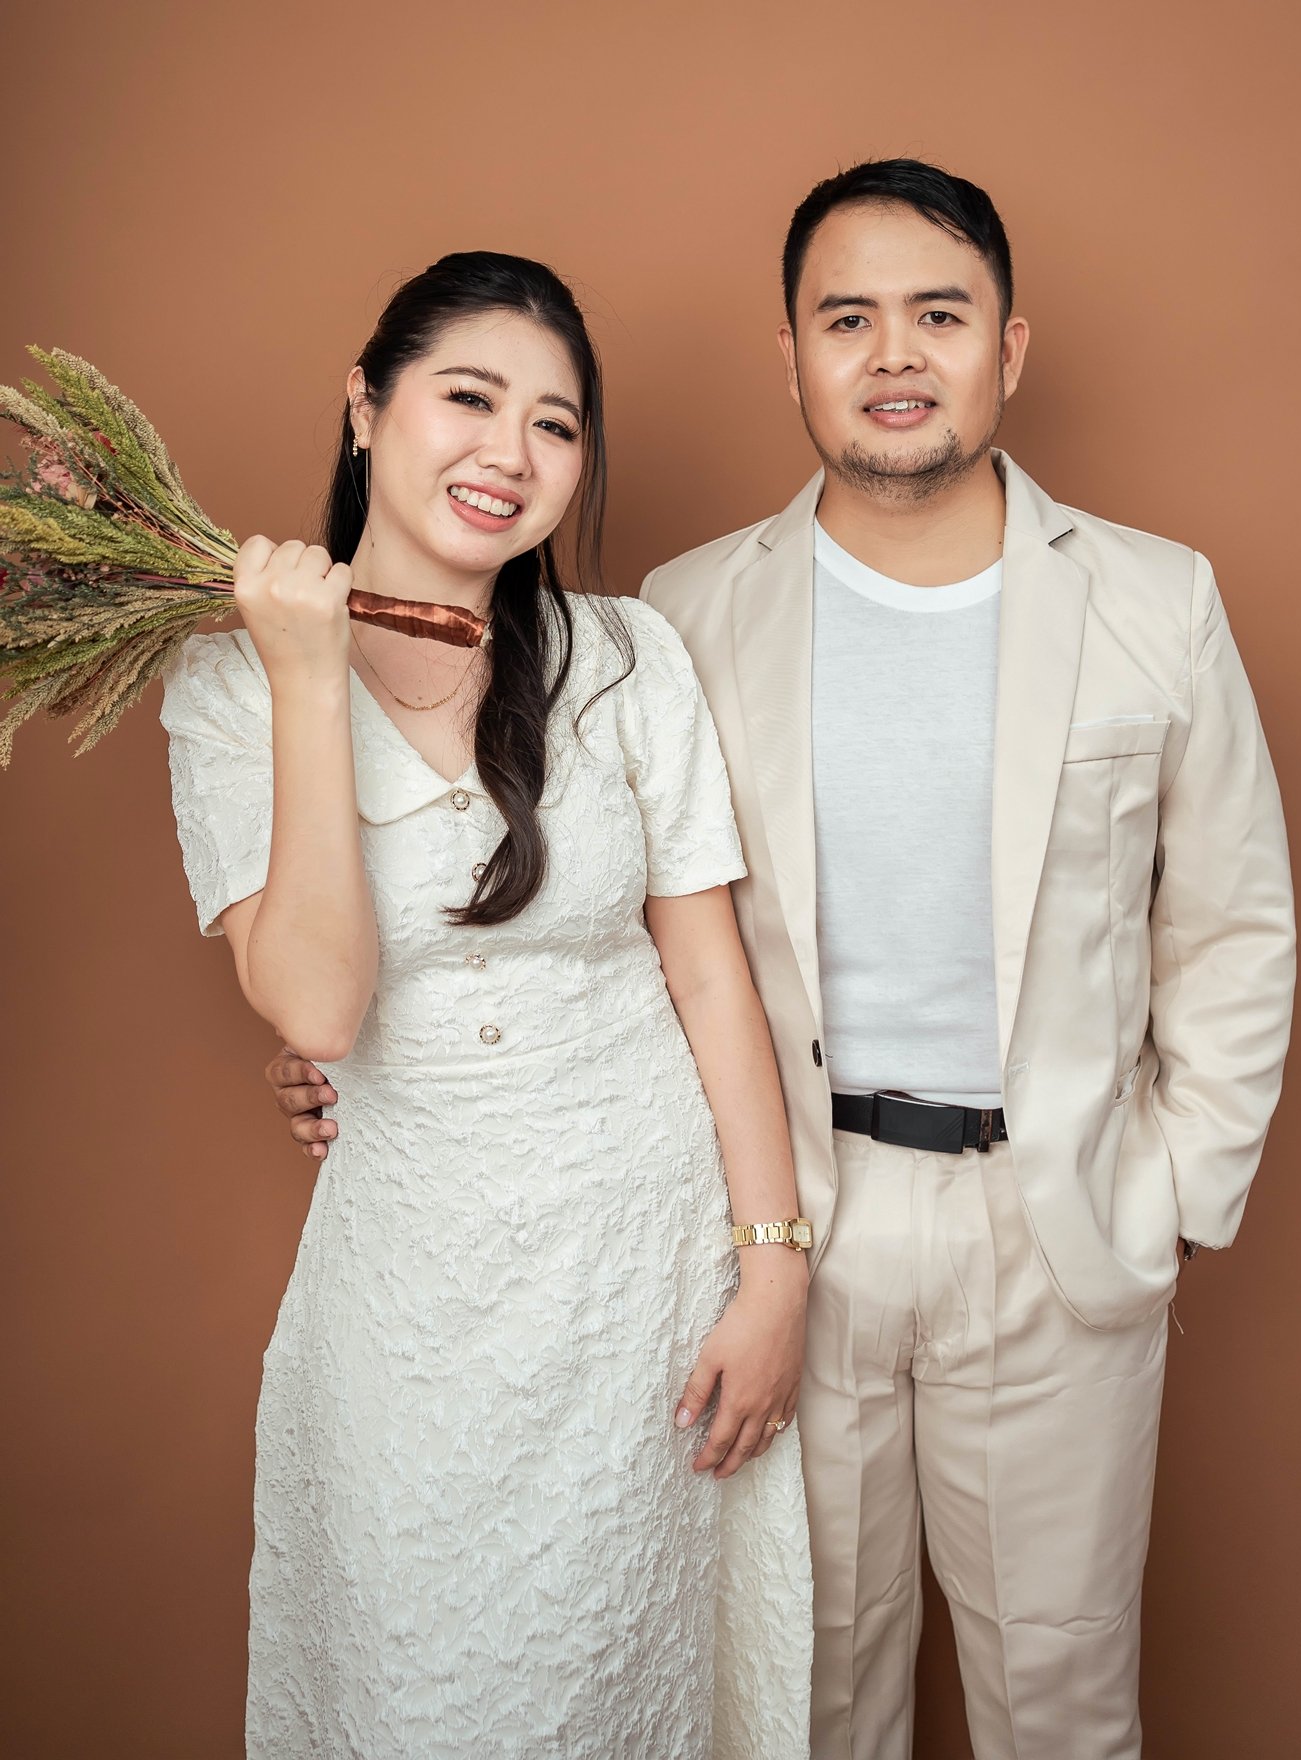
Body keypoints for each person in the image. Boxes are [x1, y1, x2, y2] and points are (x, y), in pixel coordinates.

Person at [274, 165, 1296, 1760]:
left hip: (1059, 1223)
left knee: (1065, 1698)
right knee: (802, 1700)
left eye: (938, 315)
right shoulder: (683, 617)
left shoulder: (1156, 600)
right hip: (779, 1224)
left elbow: (1233, 920)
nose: (893, 355)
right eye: (846, 319)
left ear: (1008, 347)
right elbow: (593, 917)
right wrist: (360, 1059)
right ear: (792, 357)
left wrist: (1167, 1193)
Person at [159, 250, 813, 1760]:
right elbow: (318, 1008)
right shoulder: (226, 683)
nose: (509, 454)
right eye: (468, 398)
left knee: (625, 1679)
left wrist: (772, 1272)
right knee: (425, 1687)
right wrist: (308, 676)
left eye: (555, 424)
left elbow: (708, 974)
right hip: (414, 1300)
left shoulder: (627, 658)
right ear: (365, 405)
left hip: (645, 1278)